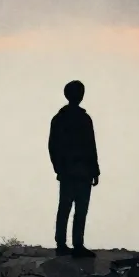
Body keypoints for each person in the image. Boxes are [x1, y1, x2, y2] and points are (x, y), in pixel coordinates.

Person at [49, 80, 99, 258]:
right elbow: (54, 146)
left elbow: (91, 146)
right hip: (75, 171)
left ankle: (72, 244)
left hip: (79, 171)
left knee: (74, 208)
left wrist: (94, 170)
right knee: (70, 208)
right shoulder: (69, 119)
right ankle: (67, 244)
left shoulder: (64, 119)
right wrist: (60, 168)